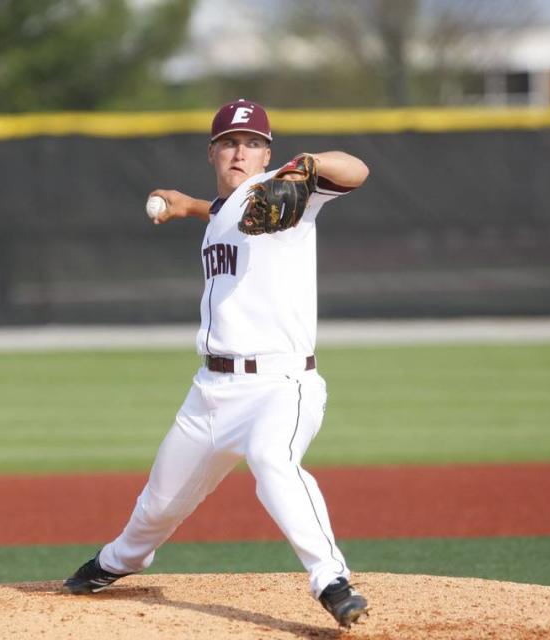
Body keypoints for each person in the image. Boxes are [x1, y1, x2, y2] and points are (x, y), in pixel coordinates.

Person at [62, 99, 371, 627]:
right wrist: (186, 204)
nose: (240, 152)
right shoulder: (230, 208)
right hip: (210, 391)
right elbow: (227, 212)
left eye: (253, 144)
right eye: (229, 142)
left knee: (273, 462)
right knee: (159, 503)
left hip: (280, 383)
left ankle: (332, 582)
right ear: (212, 153)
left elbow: (357, 170)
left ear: (267, 153)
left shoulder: (291, 192)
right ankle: (119, 561)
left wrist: (308, 165)